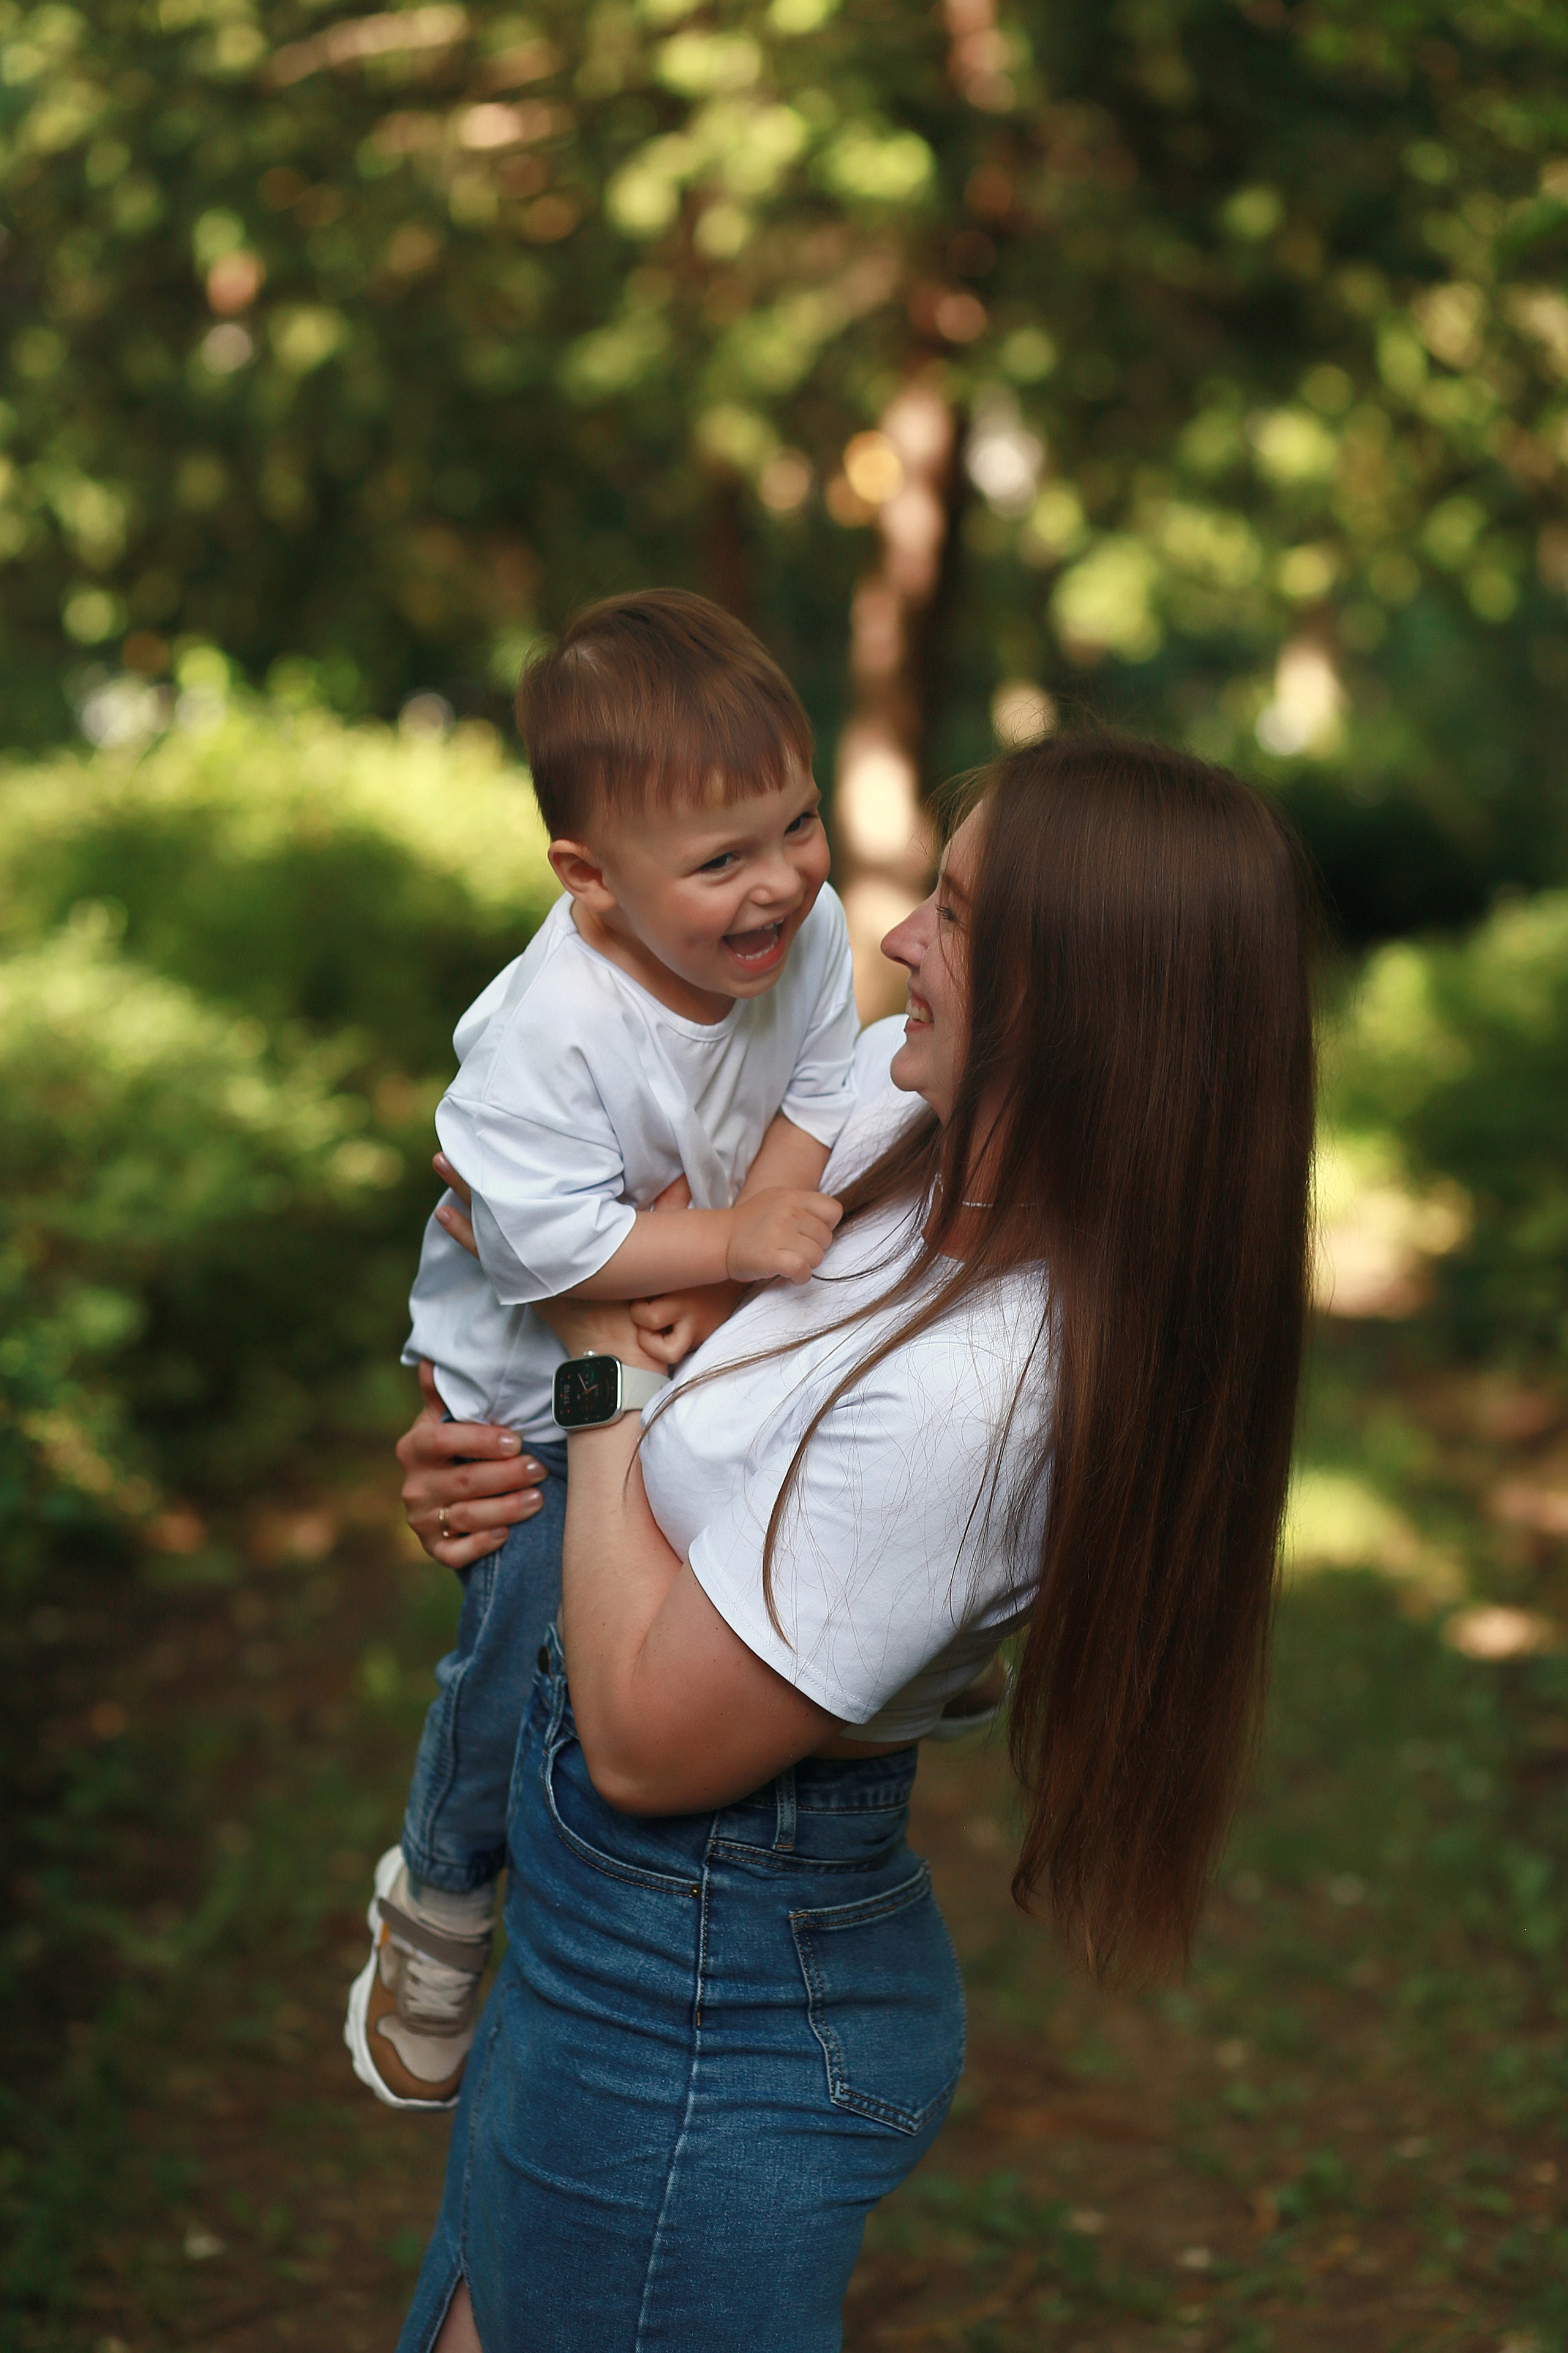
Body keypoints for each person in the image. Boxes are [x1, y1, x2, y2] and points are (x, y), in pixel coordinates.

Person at [393, 733, 1317, 2353]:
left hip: (701, 1987)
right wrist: (497, 1459)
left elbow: (651, 1740)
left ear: (1079, 1001)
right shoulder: (904, 1158)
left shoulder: (991, 1389)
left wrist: (593, 1361)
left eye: (954, 918)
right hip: (605, 1939)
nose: (896, 940)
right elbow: (647, 1343)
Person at [345, 590, 861, 2111]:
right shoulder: (544, 1033)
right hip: (515, 1391)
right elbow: (547, 1249)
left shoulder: (811, 933)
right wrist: (727, 1251)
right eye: (721, 862)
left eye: (799, 824)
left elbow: (826, 1080)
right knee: (522, 1630)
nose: (780, 885)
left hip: (684, 1334)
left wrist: (742, 1240)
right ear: (589, 875)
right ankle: (442, 1882)